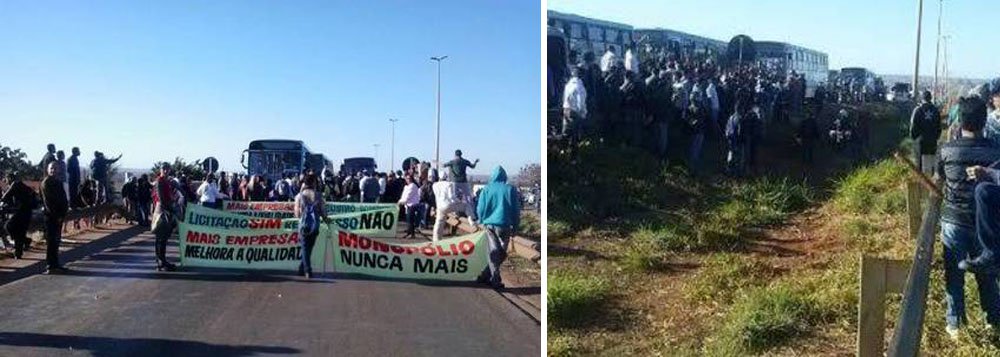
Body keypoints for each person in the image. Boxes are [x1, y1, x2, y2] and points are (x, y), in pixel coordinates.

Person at [935, 96, 1000, 338]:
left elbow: (938, 180)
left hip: (954, 221)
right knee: (988, 276)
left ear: (959, 120)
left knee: (954, 275)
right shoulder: (996, 150)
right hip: (986, 226)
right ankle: (993, 322)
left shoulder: (947, 150)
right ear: (985, 120)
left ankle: (955, 325)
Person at [475, 166, 520, 289]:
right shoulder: (511, 189)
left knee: (494, 252)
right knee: (500, 253)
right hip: (506, 225)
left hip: (490, 226)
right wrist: (516, 226)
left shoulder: (487, 189)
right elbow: (516, 210)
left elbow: (481, 208)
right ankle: (487, 276)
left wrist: (481, 219)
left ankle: (493, 278)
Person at [294, 174, 327, 279]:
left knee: (304, 247)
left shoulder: (299, 196)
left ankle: (305, 269)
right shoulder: (318, 195)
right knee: (309, 248)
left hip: (303, 225)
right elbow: (323, 212)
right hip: (315, 225)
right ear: (313, 182)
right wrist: (326, 219)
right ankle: (305, 269)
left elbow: (297, 214)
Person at [41, 162, 69, 274]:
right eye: (51, 168)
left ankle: (56, 264)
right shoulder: (46, 183)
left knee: (56, 242)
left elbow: (63, 199)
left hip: (59, 216)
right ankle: (50, 266)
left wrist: (63, 214)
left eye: (55, 168)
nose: (53, 170)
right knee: (51, 242)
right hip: (51, 217)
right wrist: (57, 216)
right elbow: (49, 202)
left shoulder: (58, 182)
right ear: (48, 170)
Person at [151, 163, 179, 271]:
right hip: (162, 211)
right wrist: (171, 209)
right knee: (161, 237)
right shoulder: (160, 181)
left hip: (166, 209)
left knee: (163, 238)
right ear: (161, 170)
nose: (166, 171)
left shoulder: (167, 181)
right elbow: (161, 198)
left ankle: (161, 260)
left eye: (167, 169)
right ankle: (160, 261)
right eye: (164, 169)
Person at [1, 172, 35, 259]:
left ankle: (25, 242)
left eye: (6, 179)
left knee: (9, 227)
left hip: (21, 211)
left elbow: (5, 197)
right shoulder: (21, 185)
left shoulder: (15, 184)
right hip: (27, 211)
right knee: (20, 231)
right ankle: (18, 253)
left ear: (9, 179)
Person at [910, 90, 943, 176]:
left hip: (920, 139)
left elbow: (913, 125)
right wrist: (937, 137)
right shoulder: (936, 110)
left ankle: (920, 178)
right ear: (930, 98)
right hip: (932, 139)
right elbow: (939, 125)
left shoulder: (918, 110)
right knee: (931, 159)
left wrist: (913, 137)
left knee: (919, 161)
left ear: (922, 99)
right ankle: (931, 177)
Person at [562, 66, 588, 146]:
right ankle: (574, 156)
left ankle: (563, 152)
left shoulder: (568, 85)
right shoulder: (580, 86)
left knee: (566, 132)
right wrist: (583, 113)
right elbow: (580, 101)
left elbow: (564, 98)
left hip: (566, 110)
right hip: (575, 112)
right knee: (575, 135)